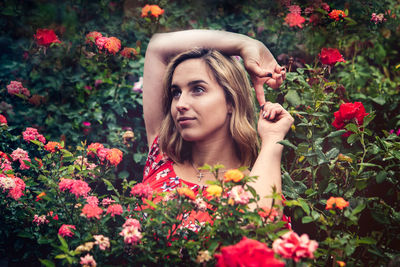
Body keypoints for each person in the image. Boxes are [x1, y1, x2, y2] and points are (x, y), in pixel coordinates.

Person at [142, 30, 293, 214]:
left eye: (198, 89)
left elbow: (257, 229)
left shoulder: (258, 184)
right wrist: (246, 45)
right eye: (176, 92)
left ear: (231, 100)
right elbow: (158, 46)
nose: (180, 104)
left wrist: (272, 140)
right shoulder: (161, 157)